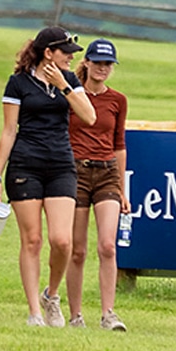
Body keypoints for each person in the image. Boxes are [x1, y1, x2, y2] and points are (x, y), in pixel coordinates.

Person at [0, 26, 96, 327]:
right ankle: (34, 311)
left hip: (61, 164)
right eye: (65, 53)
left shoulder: (71, 80)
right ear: (48, 52)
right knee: (32, 240)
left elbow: (89, 117)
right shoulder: (18, 84)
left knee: (62, 240)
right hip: (25, 164)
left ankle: (51, 295)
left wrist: (63, 85)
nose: (70, 58)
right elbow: (9, 130)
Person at [65, 39, 130, 331]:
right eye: (98, 62)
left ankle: (108, 313)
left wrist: (122, 187)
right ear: (87, 63)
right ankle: (75, 314)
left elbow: (119, 145)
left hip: (106, 172)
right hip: (76, 171)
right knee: (77, 249)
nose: (103, 68)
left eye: (108, 64)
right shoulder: (71, 94)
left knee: (107, 245)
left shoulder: (117, 100)